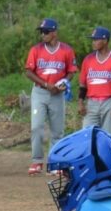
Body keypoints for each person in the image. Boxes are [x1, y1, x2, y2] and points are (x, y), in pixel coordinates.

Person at [25, 17, 78, 175]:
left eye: (46, 31)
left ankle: (56, 162)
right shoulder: (36, 50)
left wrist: (64, 83)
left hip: (57, 93)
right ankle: (37, 161)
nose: (43, 35)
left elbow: (71, 71)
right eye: (41, 32)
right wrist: (45, 84)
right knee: (36, 127)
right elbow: (28, 71)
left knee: (57, 130)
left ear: (54, 32)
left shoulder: (66, 50)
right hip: (40, 92)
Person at [79, 26, 111, 135]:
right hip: (92, 102)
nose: (93, 42)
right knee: (87, 135)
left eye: (96, 40)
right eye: (93, 40)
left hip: (110, 101)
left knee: (108, 135)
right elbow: (83, 84)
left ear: (105, 41)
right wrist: (81, 102)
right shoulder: (88, 59)